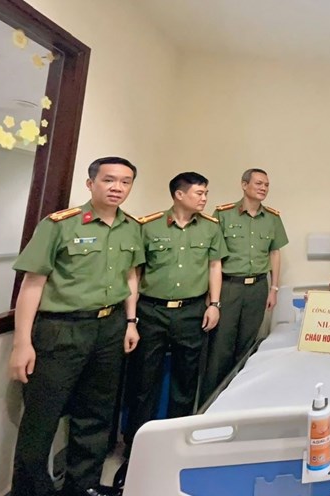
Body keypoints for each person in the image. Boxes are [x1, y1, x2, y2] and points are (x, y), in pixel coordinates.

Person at [8, 157, 144, 496]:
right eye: (109, 180)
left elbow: (130, 276)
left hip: (109, 328)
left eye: (125, 182)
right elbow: (32, 284)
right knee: (42, 418)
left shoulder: (131, 227)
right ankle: (31, 490)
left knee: (95, 415)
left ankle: (81, 487)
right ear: (90, 184)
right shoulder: (60, 225)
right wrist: (21, 343)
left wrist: (130, 322)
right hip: (61, 330)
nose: (117, 188)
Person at [117, 172, 227, 481]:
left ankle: (176, 446)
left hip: (192, 311)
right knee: (143, 382)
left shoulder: (210, 228)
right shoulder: (148, 226)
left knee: (185, 379)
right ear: (179, 195)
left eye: (206, 192)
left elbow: (214, 266)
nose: (204, 198)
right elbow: (134, 273)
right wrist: (131, 318)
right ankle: (135, 451)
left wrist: (214, 304)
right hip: (151, 311)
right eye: (199, 193)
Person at [201, 168, 288, 402]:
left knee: (248, 346)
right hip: (229, 287)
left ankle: (239, 400)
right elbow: (213, 257)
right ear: (244, 184)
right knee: (221, 347)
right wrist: (213, 296)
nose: (263, 188)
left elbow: (275, 253)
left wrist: (274, 288)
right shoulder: (223, 214)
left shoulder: (272, 218)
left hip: (258, 287)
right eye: (259, 183)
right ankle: (212, 403)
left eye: (267, 185)